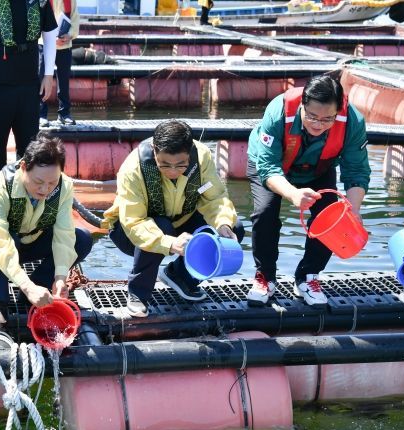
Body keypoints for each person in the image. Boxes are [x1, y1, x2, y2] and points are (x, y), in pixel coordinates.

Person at [247, 75, 370, 307]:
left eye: (327, 119)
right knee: (265, 213)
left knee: (333, 215)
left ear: (339, 110)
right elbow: (267, 167)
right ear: (302, 105)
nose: (318, 124)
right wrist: (293, 194)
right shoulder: (278, 111)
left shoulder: (353, 121)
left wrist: (353, 210)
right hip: (272, 167)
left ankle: (308, 275)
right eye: (312, 116)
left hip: (318, 167)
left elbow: (357, 170)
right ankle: (265, 276)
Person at [102, 120, 243, 317]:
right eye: (164, 164)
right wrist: (169, 242)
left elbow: (215, 198)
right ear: (154, 150)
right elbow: (134, 222)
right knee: (161, 226)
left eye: (181, 165)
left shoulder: (202, 157)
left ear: (190, 151)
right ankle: (138, 293)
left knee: (234, 227)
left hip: (180, 219)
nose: (173, 172)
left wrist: (223, 223)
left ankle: (180, 276)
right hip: (129, 231)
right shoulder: (133, 169)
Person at [0, 132, 93, 328]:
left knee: (82, 239)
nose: (45, 189)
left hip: (31, 238)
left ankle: (40, 284)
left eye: (52, 183)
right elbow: (0, 243)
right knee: (8, 241)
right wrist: (26, 287)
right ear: (24, 167)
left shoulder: (64, 186)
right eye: (38, 182)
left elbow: (64, 234)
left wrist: (60, 277)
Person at [0, 0, 59, 176]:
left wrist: (48, 75)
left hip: (29, 86)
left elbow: (49, 38)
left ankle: (23, 196)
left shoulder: (40, 2)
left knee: (29, 149)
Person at [38, 0, 79, 127]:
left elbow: (75, 19)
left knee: (64, 80)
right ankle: (41, 114)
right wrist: (49, 37)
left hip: (64, 45)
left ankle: (64, 113)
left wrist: (69, 35)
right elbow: (37, 19)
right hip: (43, 43)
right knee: (41, 80)